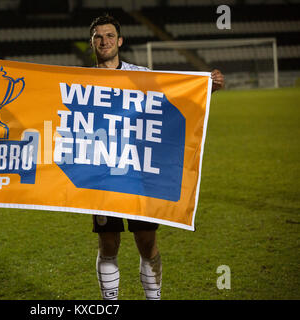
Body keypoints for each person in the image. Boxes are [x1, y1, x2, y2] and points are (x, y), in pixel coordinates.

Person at [88, 14, 225, 300]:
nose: (105, 41)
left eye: (110, 35)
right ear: (92, 42)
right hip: (102, 175)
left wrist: (204, 86)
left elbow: (173, 95)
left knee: (146, 241)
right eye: (99, 36)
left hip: (140, 172)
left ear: (120, 41)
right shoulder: (82, 81)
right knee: (109, 243)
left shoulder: (140, 74)